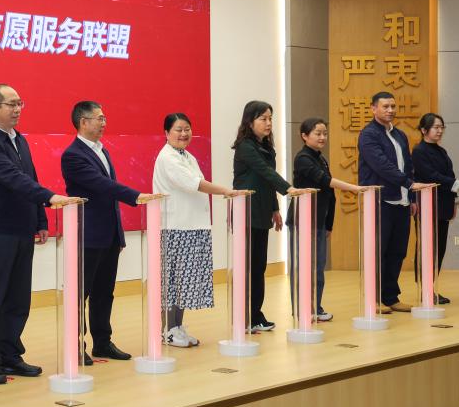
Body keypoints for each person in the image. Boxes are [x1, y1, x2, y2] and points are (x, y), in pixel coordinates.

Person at [0, 84, 75, 385]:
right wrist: (50, 197)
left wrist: (40, 219)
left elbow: (31, 177)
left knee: (18, 298)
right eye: (11, 104)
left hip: (21, 229)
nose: (17, 109)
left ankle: (10, 355)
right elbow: (13, 179)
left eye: (20, 103)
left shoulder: (21, 140)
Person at [61, 101, 149, 364]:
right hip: (87, 235)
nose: (103, 123)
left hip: (109, 235)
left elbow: (108, 195)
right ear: (83, 122)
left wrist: (118, 235)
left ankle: (102, 342)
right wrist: (136, 195)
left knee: (104, 292)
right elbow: (101, 185)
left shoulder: (102, 150)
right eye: (99, 118)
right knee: (81, 293)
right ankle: (76, 346)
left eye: (104, 118)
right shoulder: (72, 155)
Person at [152, 112, 238, 348]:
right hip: (176, 228)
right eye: (178, 129)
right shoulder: (168, 158)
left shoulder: (186, 156)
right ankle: (168, 330)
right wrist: (225, 191)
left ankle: (177, 327)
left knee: (184, 283)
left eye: (187, 129)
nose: (184, 134)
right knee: (173, 282)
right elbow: (195, 184)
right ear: (166, 133)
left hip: (191, 227)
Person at [358, 92, 433, 313]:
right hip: (380, 200)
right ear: (373, 109)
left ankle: (390, 297)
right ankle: (373, 299)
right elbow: (382, 165)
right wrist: (409, 184)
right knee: (378, 252)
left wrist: (411, 197)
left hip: (401, 201)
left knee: (397, 251)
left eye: (393, 106)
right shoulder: (368, 134)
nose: (390, 110)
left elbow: (408, 166)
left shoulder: (400, 135)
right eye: (385, 106)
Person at [286, 118, 362, 322]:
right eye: (317, 133)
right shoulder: (302, 158)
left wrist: (329, 224)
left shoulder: (321, 158)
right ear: (304, 136)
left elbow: (330, 195)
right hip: (302, 221)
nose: (322, 137)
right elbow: (325, 181)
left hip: (319, 221)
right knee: (303, 267)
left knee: (318, 268)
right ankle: (302, 309)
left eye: (325, 133)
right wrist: (354, 188)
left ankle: (315, 308)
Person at [232, 101, 298, 332]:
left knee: (258, 267)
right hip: (246, 211)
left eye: (270, 118)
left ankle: (255, 314)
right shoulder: (245, 147)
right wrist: (289, 189)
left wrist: (275, 208)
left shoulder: (267, 147)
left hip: (261, 211)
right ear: (250, 122)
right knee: (247, 267)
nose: (268, 123)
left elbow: (267, 181)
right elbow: (265, 171)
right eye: (263, 118)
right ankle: (243, 316)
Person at [412, 112, 457, 304]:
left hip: (443, 206)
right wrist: (454, 184)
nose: (439, 131)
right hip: (428, 205)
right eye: (436, 127)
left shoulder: (442, 151)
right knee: (427, 248)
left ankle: (430, 288)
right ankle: (425, 290)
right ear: (424, 130)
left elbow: (449, 176)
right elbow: (430, 175)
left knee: (439, 249)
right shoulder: (419, 151)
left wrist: (454, 201)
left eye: (441, 127)